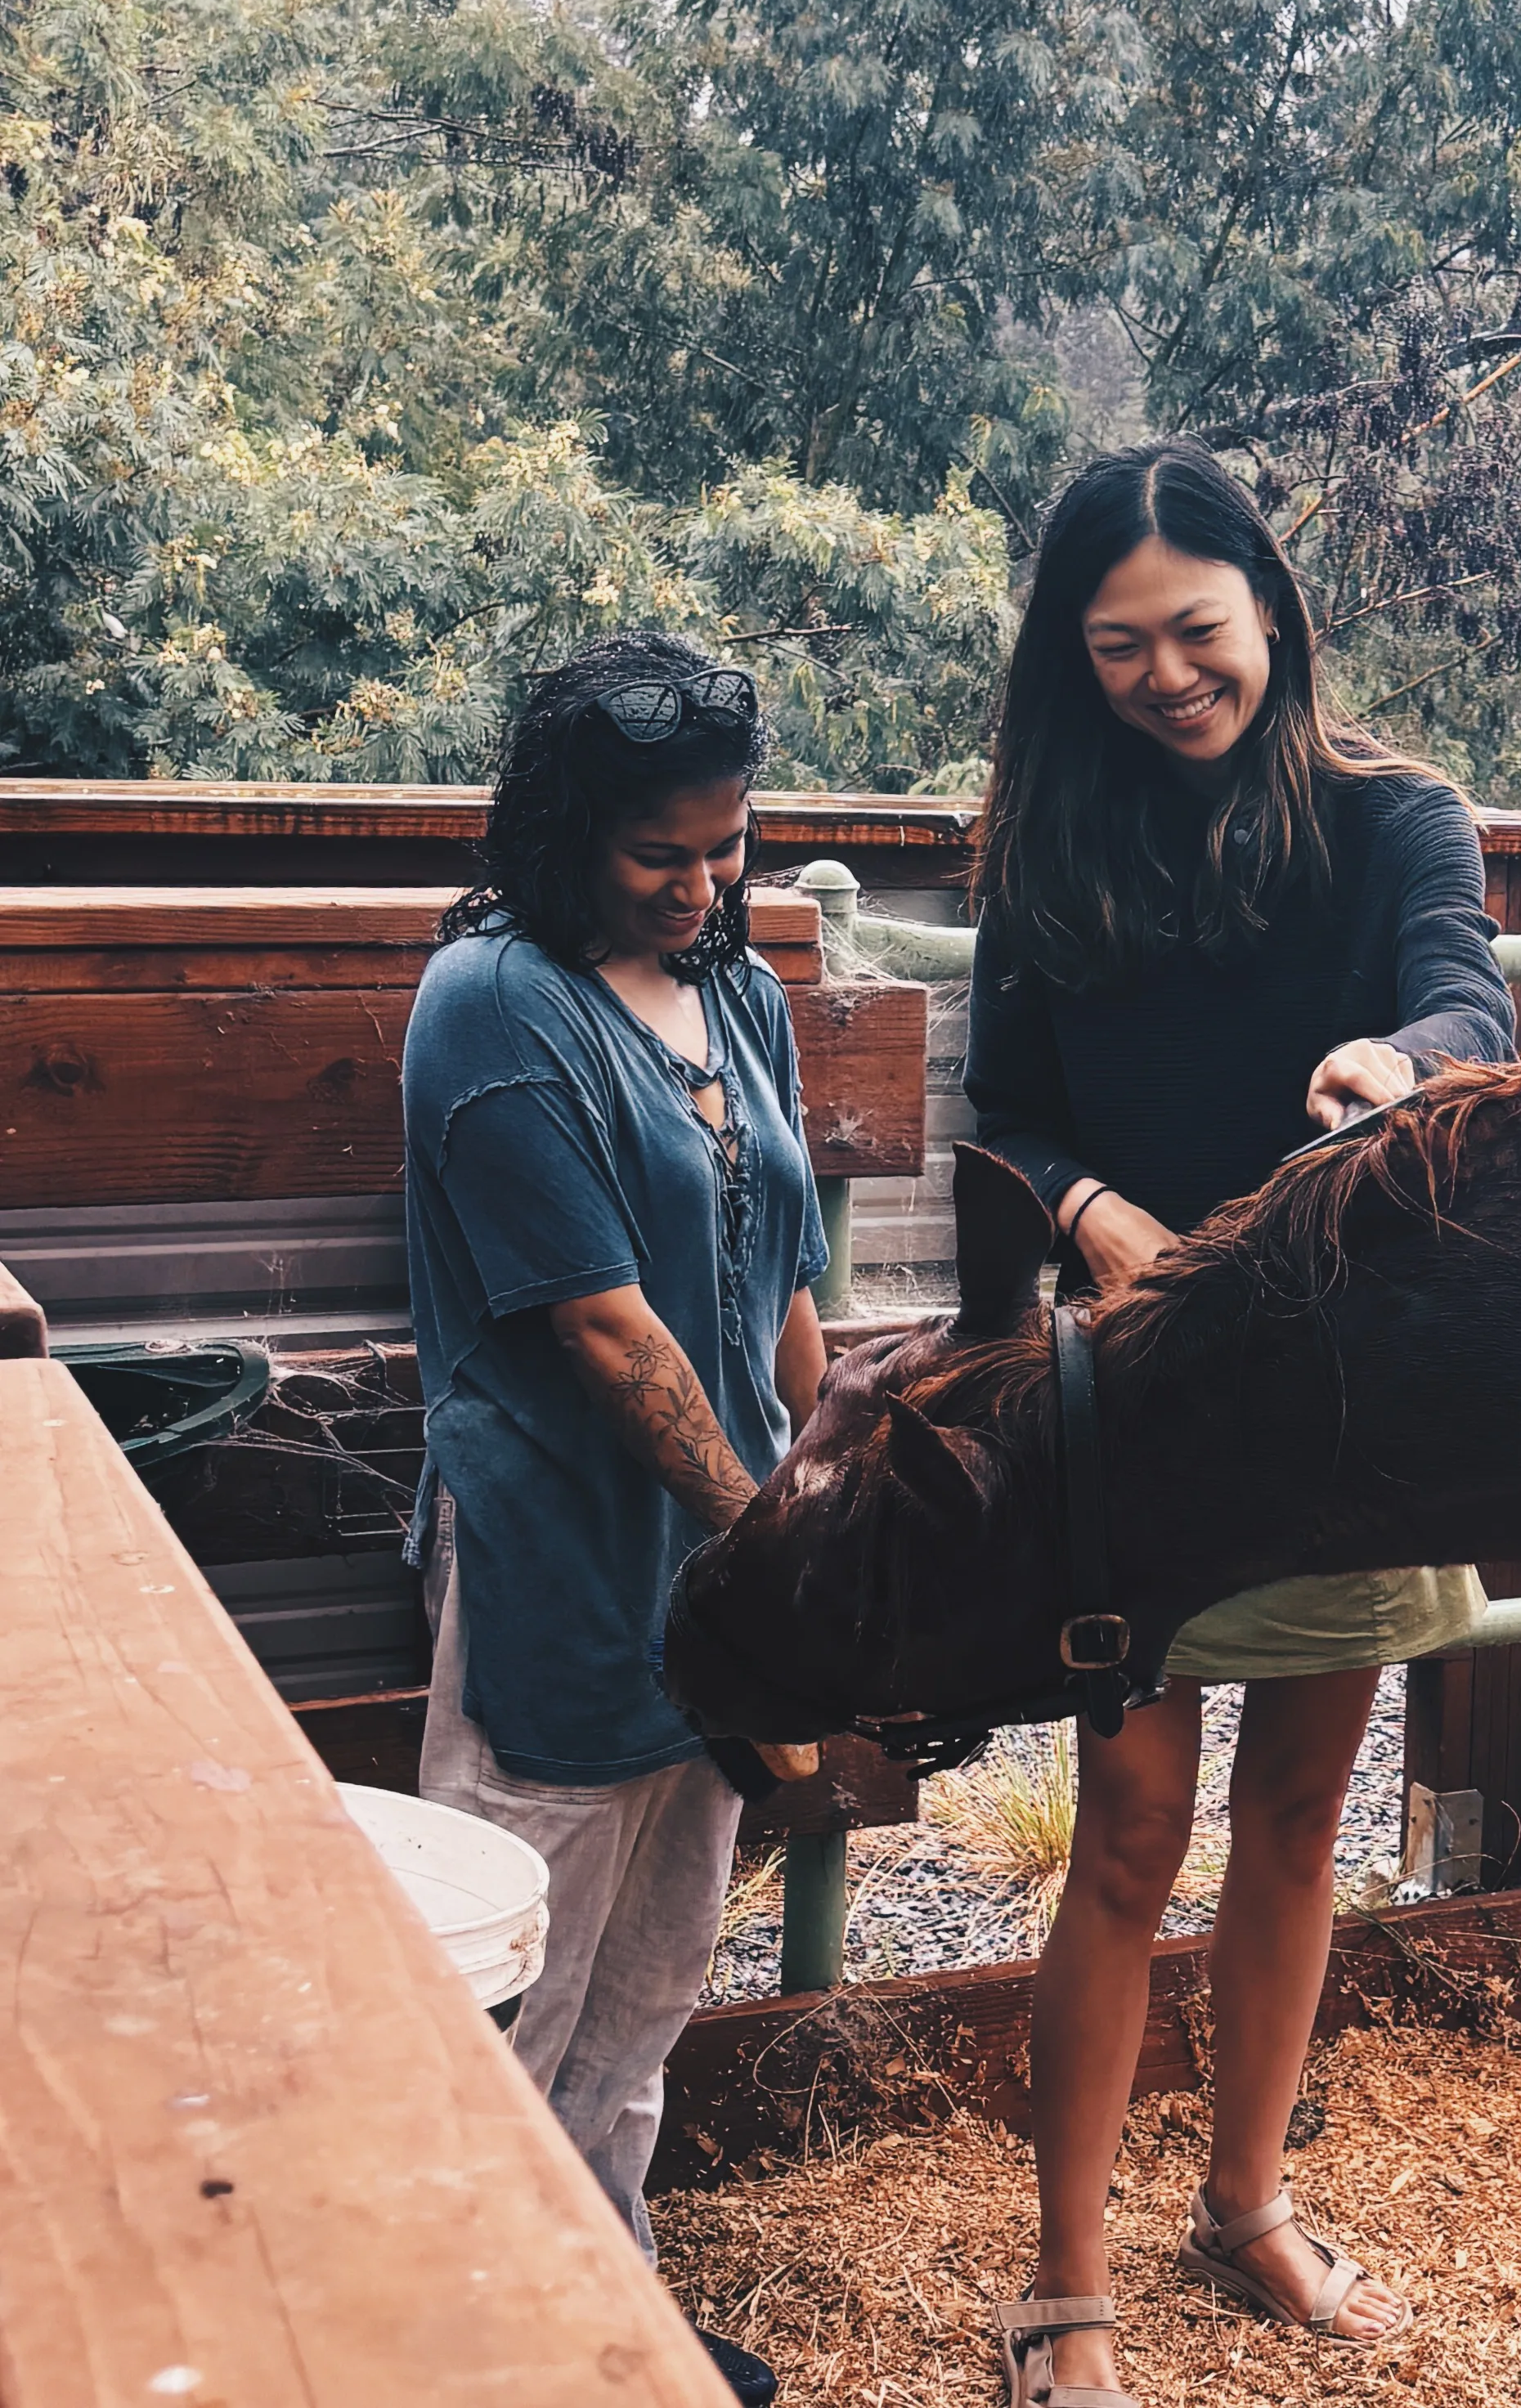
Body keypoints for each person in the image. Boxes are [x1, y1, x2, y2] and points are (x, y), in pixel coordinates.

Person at [964, 439, 1516, 2408]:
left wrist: (1402, 1059)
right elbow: (1005, 1108)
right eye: (1118, 648)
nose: (1166, 675)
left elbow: (1475, 1006)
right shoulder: (1041, 841)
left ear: (1270, 611)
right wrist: (1090, 1210)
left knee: (1296, 1819)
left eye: (1196, 632)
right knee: (1124, 1830)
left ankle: (1245, 2199)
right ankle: (1064, 2277)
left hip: (1334, 1375)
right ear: (1073, 656)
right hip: (1131, 1381)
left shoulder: (1394, 819)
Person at [401, 633, 832, 2408]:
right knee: (506, 1990)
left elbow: (789, 1265)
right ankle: (464, 2339)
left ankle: (602, 2313)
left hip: (718, 1569)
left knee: (648, 1994)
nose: (704, 884)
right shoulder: (494, 1006)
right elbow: (600, 1325)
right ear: (563, 834)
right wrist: (775, 1553)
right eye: (664, 854)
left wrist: (825, 1481)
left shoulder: (740, 992)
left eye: (727, 847)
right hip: (564, 1571)